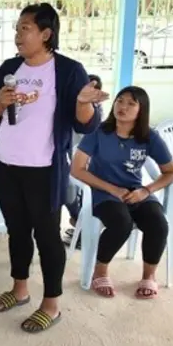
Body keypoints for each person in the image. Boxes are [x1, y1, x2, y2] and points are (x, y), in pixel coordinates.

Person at [0, 2, 107, 333]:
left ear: (46, 34)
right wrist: (0, 102)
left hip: (44, 170)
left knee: (47, 236)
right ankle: (19, 290)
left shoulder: (68, 71)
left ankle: (51, 304)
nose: (17, 35)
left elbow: (88, 125)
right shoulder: (10, 67)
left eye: (25, 28)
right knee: (17, 231)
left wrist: (82, 103)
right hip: (6, 165)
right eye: (17, 28)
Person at [71, 86, 173, 299]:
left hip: (136, 192)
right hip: (103, 192)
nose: (123, 107)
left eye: (131, 103)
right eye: (120, 101)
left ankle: (149, 276)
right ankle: (100, 270)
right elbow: (77, 169)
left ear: (142, 110)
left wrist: (146, 191)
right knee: (121, 223)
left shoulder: (149, 137)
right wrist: (113, 189)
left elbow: (171, 171)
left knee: (158, 223)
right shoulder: (99, 132)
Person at [63, 73, 105, 249]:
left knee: (70, 192)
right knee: (67, 191)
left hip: (86, 164)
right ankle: (80, 224)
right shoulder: (71, 108)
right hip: (71, 160)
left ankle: (83, 228)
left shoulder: (94, 113)